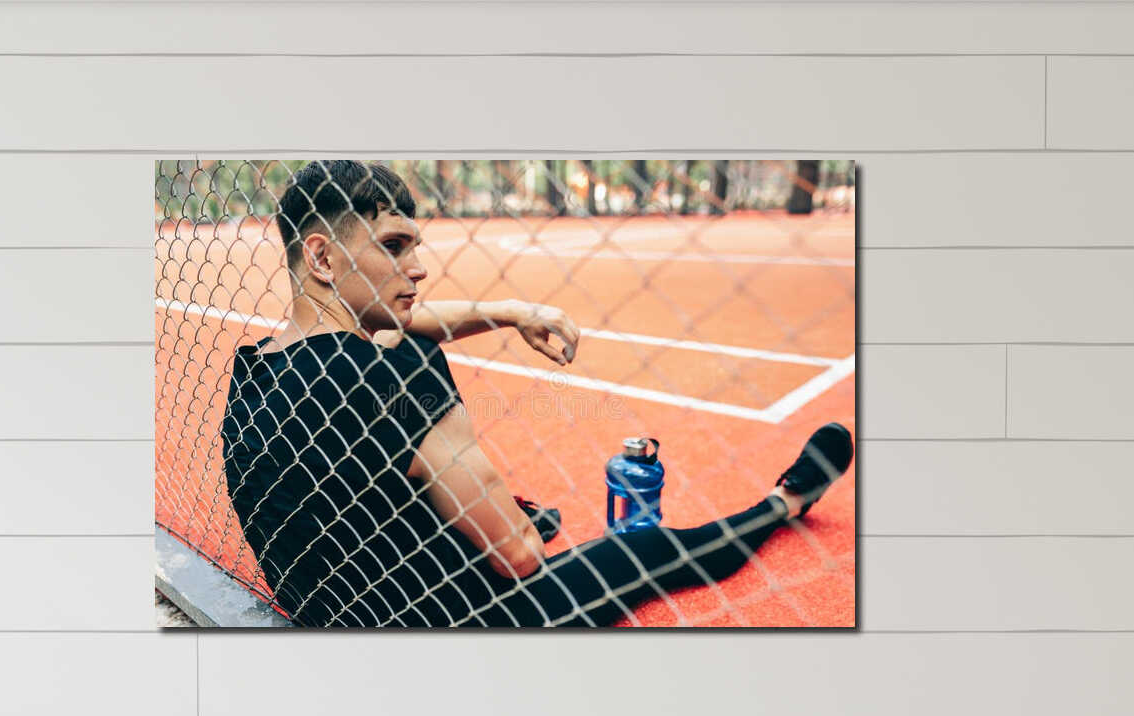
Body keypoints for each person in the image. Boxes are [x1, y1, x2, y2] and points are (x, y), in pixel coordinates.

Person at [220, 160, 851, 628]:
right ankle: (785, 503)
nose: (418, 268)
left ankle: (504, 514)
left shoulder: (253, 372)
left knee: (448, 488)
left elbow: (392, 323)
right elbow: (519, 559)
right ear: (324, 258)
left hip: (327, 602)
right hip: (457, 622)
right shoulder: (397, 371)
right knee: (643, 547)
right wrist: (515, 531)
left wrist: (510, 311)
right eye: (392, 246)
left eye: (416, 246)